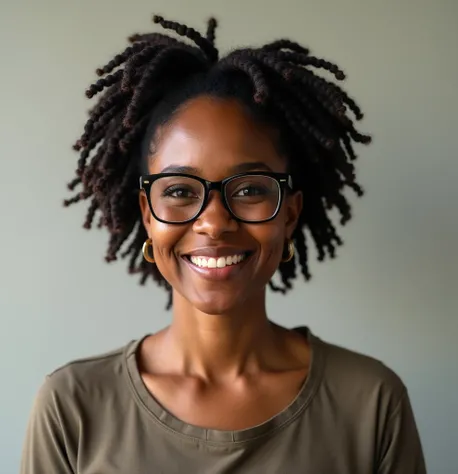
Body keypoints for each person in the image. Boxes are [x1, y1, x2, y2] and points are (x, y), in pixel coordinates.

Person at [21, 15, 426, 473]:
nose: (214, 223)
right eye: (178, 191)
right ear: (147, 213)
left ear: (289, 212)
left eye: (250, 188)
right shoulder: (72, 407)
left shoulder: (370, 403)